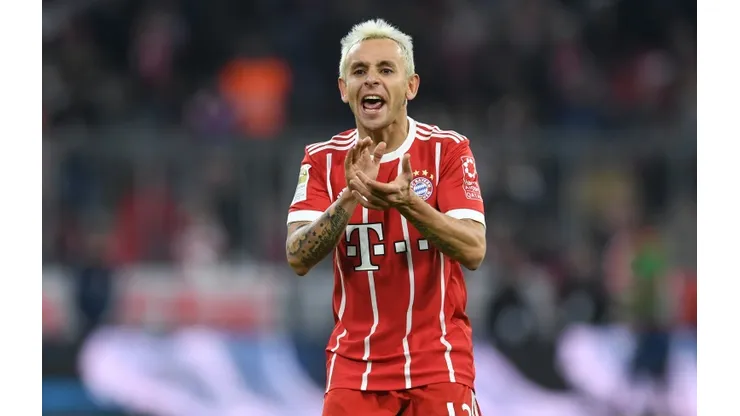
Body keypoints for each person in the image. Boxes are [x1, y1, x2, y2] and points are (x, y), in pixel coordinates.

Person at [285, 19, 487, 416]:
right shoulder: (322, 160)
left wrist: (408, 204)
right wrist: (349, 197)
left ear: (410, 86)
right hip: (354, 370)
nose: (371, 80)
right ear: (344, 89)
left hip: (437, 364)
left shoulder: (447, 151)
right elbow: (297, 256)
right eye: (359, 71)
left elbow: (474, 249)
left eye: (386, 69)